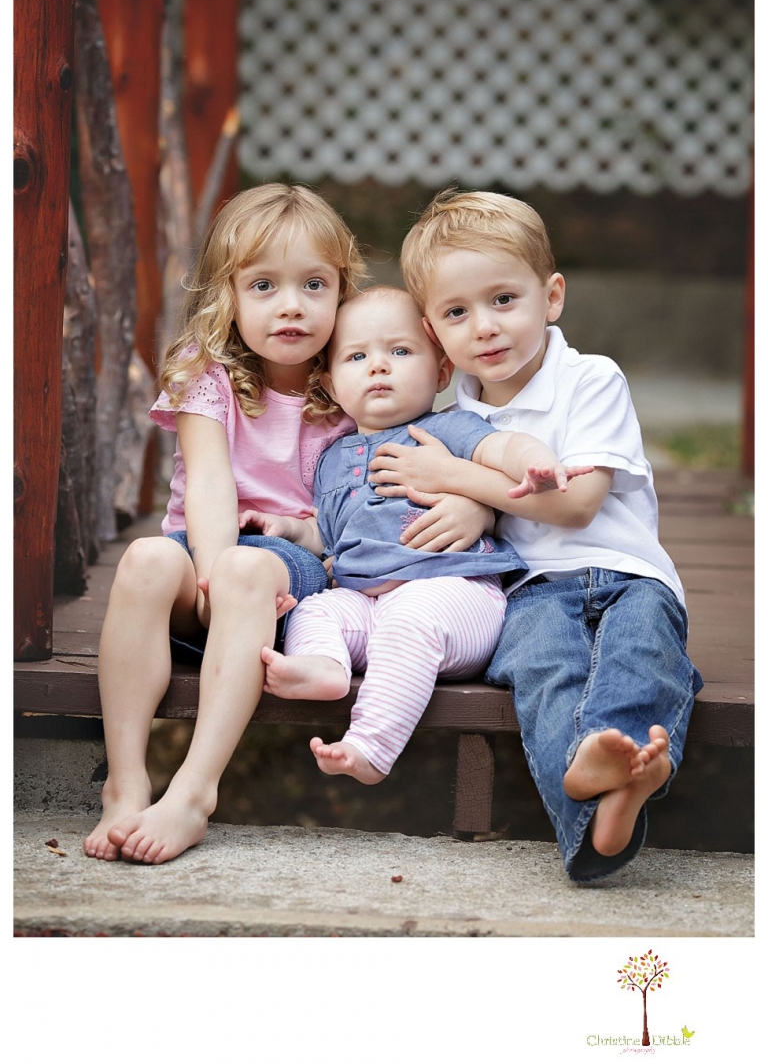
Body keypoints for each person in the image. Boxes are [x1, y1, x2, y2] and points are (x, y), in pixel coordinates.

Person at [367, 188, 704, 882]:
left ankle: (611, 766)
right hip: (528, 587)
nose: (484, 327)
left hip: (628, 570)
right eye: (457, 312)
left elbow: (578, 503)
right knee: (544, 670)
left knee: (640, 652)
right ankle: (609, 802)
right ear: (433, 331)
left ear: (550, 297)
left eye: (503, 300)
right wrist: (466, 500)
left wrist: (459, 479)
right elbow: (482, 507)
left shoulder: (591, 380)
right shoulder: (454, 414)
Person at [82, 182, 371, 865]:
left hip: (288, 563)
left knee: (244, 567)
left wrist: (266, 555)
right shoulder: (204, 372)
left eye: (314, 285)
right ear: (228, 293)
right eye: (264, 285)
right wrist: (207, 572)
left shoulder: (353, 380)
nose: (292, 305)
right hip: (205, 551)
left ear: (341, 292)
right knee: (147, 560)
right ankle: (125, 782)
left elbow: (363, 503)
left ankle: (193, 789)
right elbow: (209, 480)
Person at [261, 285, 591, 784]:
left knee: (412, 615)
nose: (378, 366)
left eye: (400, 351)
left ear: (441, 372)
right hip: (369, 606)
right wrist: (289, 529)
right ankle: (324, 666)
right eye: (356, 356)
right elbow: (327, 537)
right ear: (328, 384)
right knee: (315, 609)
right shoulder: (330, 459)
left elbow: (502, 447)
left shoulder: (446, 429)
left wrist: (534, 461)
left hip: (456, 597)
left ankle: (371, 748)